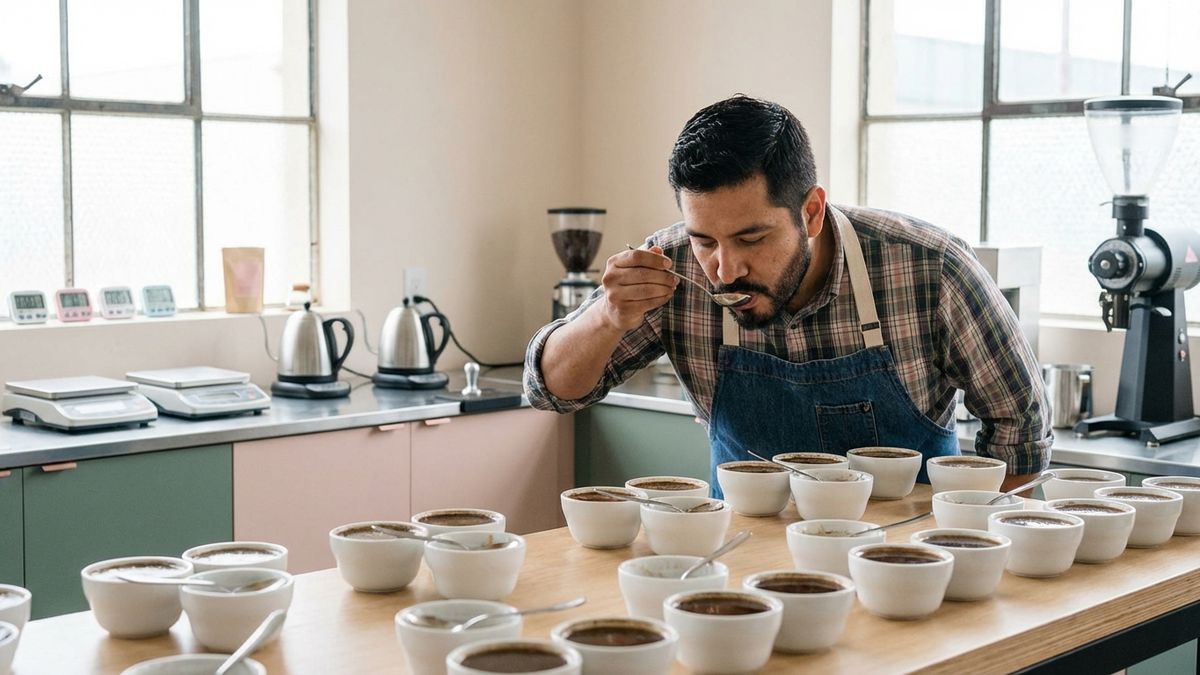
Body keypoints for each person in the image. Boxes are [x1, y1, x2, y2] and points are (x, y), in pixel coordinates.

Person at [523, 94, 1051, 497]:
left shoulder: (930, 268)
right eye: (705, 240)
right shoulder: (672, 265)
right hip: (740, 558)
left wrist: (959, 546)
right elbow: (552, 391)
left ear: (813, 212)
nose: (725, 270)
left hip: (906, 564)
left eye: (752, 238)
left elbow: (1020, 428)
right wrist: (608, 319)